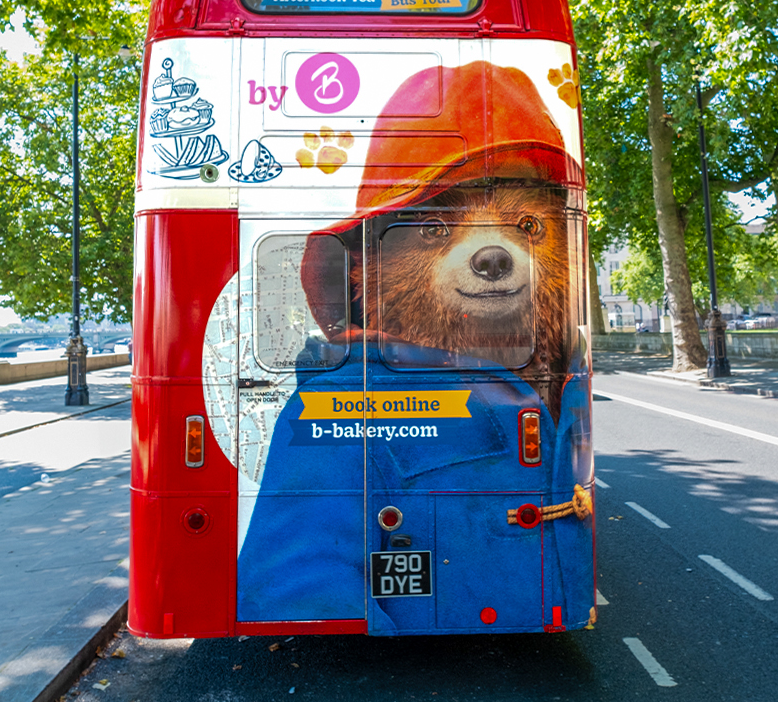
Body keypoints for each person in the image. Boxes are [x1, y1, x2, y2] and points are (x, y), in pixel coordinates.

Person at [236, 61, 594, 634]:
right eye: (433, 230)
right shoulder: (337, 403)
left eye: (527, 226)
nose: (492, 253)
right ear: (368, 269)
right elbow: (298, 594)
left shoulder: (566, 372)